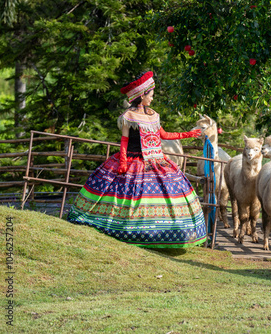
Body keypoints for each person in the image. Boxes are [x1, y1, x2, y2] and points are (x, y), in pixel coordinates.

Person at [68, 71, 207, 248]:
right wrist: (123, 162)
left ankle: (164, 232)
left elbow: (164, 134)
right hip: (134, 161)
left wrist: (187, 134)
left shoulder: (153, 115)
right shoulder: (128, 117)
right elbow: (124, 141)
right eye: (151, 95)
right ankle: (126, 230)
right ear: (141, 95)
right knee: (129, 195)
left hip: (155, 160)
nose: (152, 99)